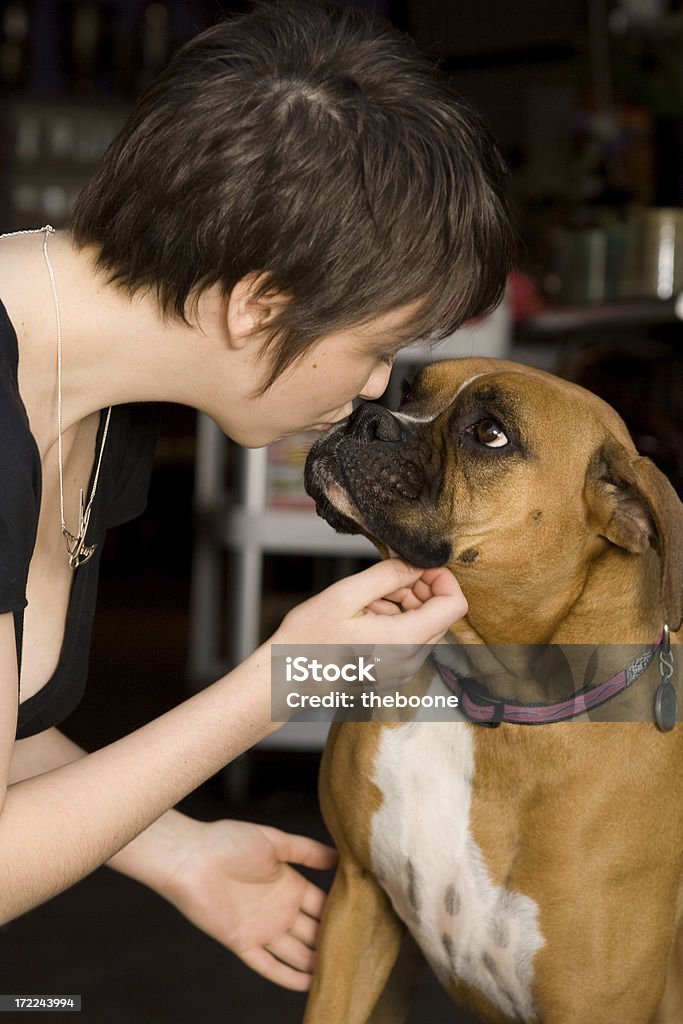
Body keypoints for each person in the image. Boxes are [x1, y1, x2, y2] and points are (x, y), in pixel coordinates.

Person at [0, 0, 513, 994]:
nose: (372, 388)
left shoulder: (95, 398)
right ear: (257, 303)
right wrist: (278, 681)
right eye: (373, 348)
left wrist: (177, 851)